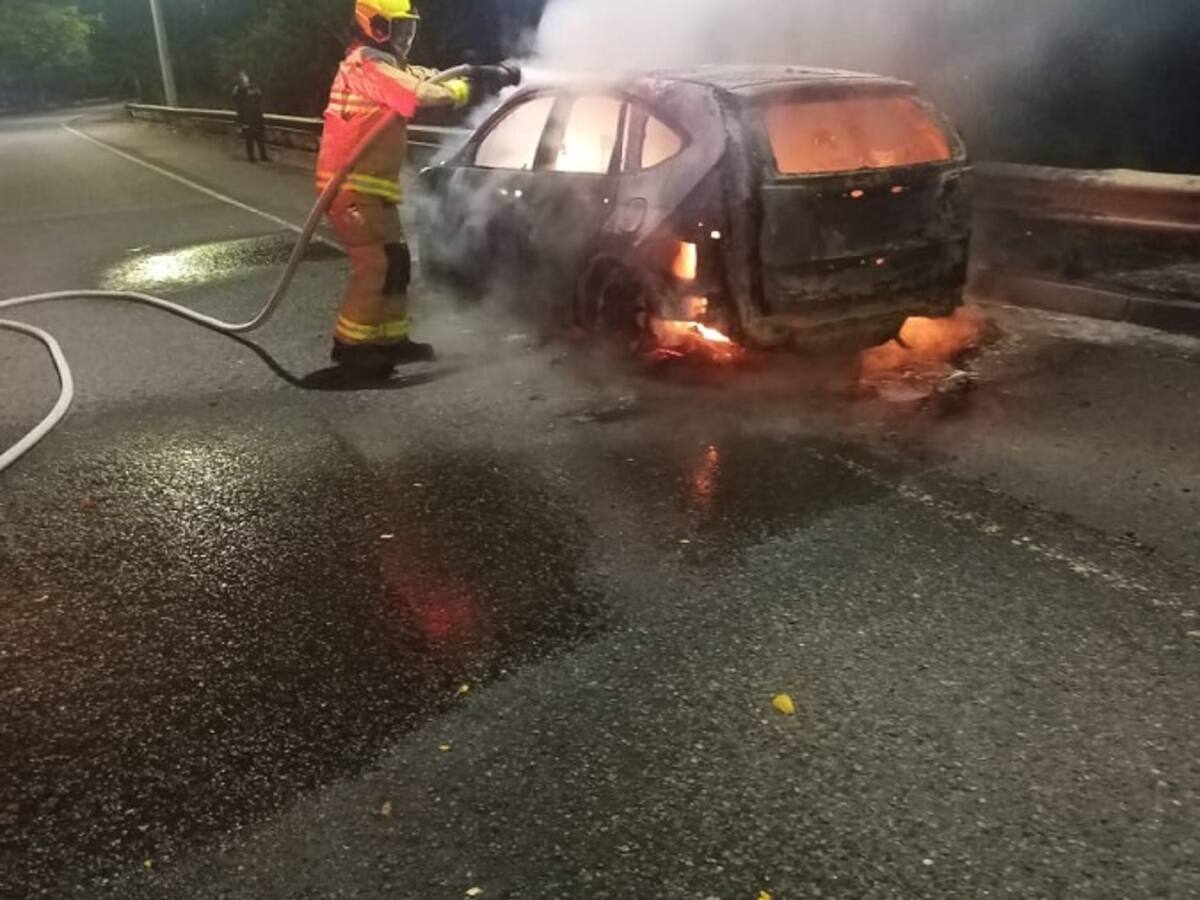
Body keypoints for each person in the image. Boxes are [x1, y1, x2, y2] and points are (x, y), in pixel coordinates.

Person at [316, 0, 517, 374]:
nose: (406, 37)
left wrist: (485, 75)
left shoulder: (390, 65)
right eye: (399, 29)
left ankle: (392, 340)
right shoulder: (366, 65)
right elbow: (420, 95)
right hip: (350, 189)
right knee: (374, 266)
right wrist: (465, 89)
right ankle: (351, 348)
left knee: (396, 264)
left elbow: (429, 77)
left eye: (410, 28)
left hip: (373, 189)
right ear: (375, 26)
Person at [232, 71, 269, 163]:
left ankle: (263, 156)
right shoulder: (239, 90)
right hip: (246, 117)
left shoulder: (254, 88)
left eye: (245, 76)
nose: (245, 78)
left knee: (260, 137)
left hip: (257, 116)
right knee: (249, 138)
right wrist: (240, 122)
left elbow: (260, 96)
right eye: (242, 77)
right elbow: (236, 101)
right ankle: (251, 157)